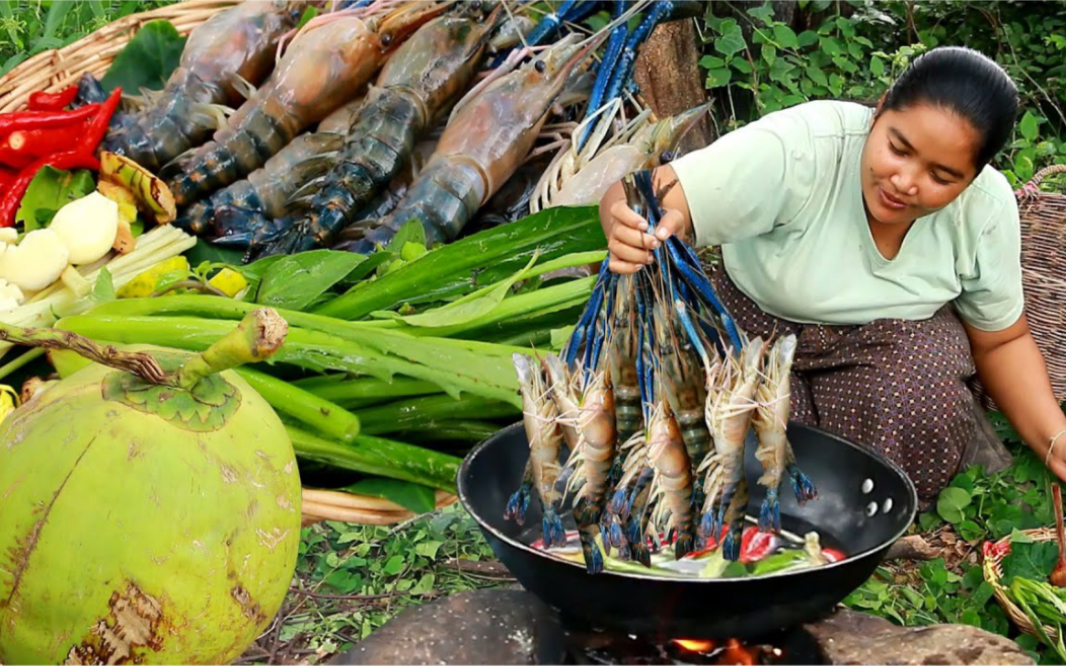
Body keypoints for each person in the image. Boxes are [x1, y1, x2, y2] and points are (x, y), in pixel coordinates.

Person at [597, 45, 1066, 503]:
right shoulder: (798, 149)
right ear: (879, 111)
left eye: (942, 177)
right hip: (757, 330)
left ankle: (866, 485)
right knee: (730, 433)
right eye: (898, 148)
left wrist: (1056, 441)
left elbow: (1001, 340)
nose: (905, 182)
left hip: (894, 346)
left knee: (919, 405)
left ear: (975, 176)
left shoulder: (985, 210)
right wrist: (633, 226)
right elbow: (635, 197)